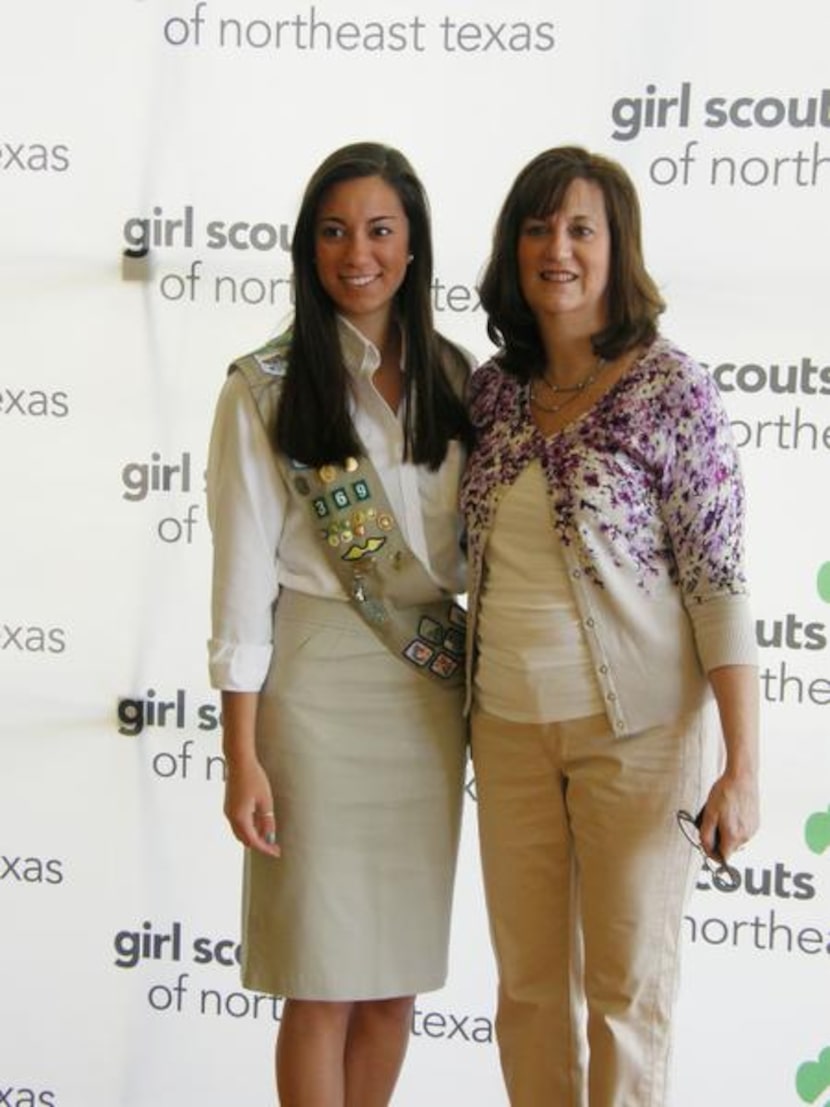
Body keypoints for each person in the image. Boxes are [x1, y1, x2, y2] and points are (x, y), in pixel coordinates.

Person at [460, 146, 760, 1107]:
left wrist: (743, 764)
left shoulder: (673, 387)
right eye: (539, 228)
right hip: (505, 732)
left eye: (581, 228)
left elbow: (718, 581)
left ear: (617, 246)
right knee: (528, 992)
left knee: (626, 996)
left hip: (634, 741)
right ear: (514, 248)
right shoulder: (492, 394)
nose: (558, 249)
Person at [206, 142, 472, 1107]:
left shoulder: (458, 379)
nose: (355, 252)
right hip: (312, 694)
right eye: (333, 231)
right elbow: (240, 587)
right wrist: (243, 754)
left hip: (425, 695)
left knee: (393, 983)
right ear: (307, 249)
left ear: (412, 249)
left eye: (378, 230)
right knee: (319, 984)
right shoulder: (263, 388)